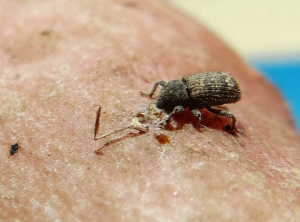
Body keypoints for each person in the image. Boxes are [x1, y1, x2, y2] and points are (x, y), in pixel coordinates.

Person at [1, 0, 299, 220]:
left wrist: (172, 118)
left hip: (223, 88)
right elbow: (163, 93)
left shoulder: (190, 102)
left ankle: (231, 129)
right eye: (164, 102)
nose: (163, 106)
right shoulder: (173, 88)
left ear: (177, 99)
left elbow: (193, 115)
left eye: (168, 105)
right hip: (203, 86)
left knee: (223, 116)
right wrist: (156, 104)